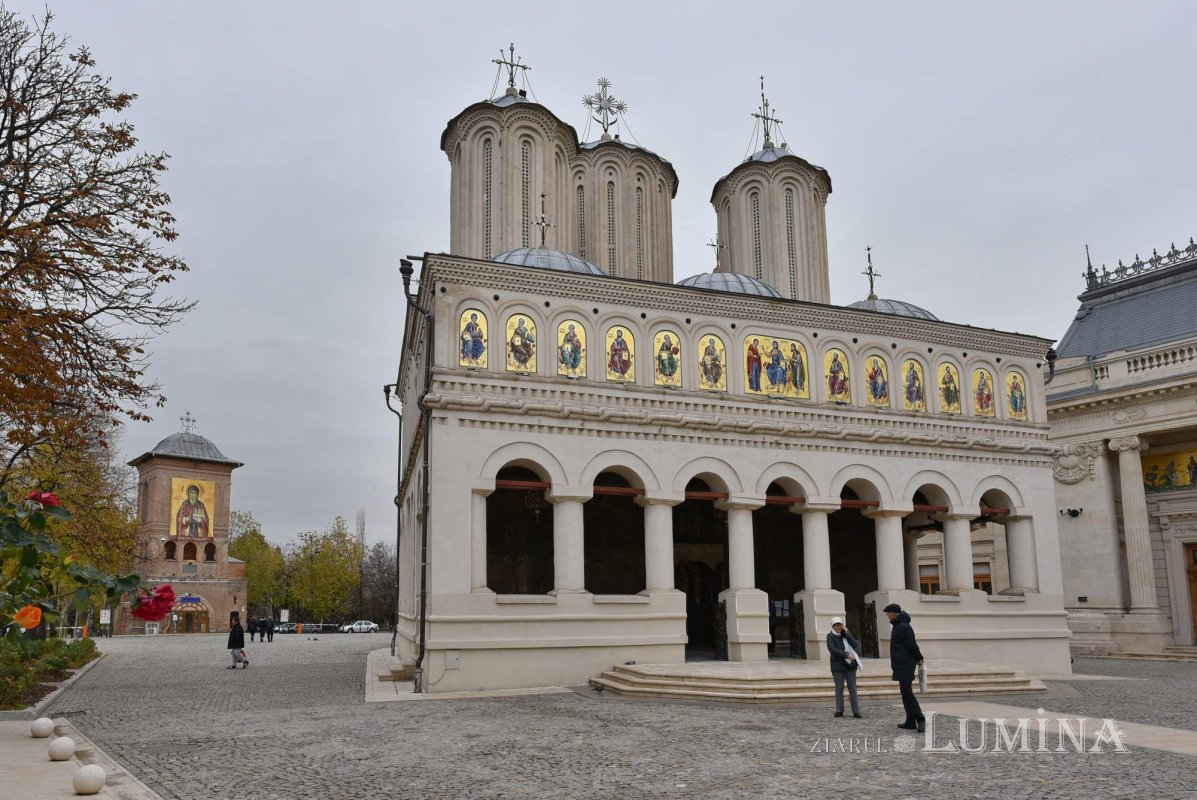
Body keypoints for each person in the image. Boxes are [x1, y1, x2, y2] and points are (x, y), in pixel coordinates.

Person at [883, 603, 923, 731]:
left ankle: (920, 719)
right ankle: (910, 721)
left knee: (907, 693)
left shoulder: (903, 627)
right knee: (905, 693)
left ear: (894, 614)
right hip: (901, 663)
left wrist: (918, 657)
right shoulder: (898, 625)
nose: (887, 616)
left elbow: (912, 645)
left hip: (905, 663)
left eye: (888, 614)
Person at [826, 617, 862, 718]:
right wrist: (846, 655)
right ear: (833, 626)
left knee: (853, 689)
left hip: (850, 666)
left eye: (840, 625)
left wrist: (848, 633)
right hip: (838, 666)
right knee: (839, 689)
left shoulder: (845, 635)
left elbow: (855, 644)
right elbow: (833, 649)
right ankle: (839, 710)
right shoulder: (830, 636)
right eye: (836, 625)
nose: (838, 627)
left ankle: (856, 711)